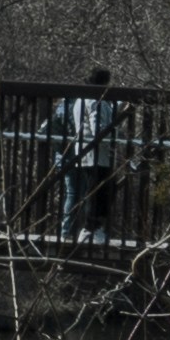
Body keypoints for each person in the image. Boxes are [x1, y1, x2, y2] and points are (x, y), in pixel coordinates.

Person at [53, 69, 120, 243]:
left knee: (94, 191)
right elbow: (98, 128)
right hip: (97, 154)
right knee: (98, 192)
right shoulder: (94, 101)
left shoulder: (81, 100)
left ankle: (91, 228)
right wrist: (113, 137)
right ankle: (91, 229)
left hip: (85, 152)